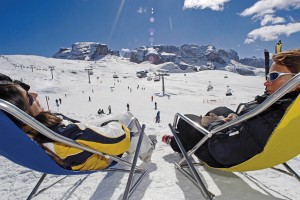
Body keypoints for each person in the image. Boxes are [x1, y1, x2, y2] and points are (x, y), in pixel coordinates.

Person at [162, 49, 300, 168]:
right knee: (221, 109)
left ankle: (175, 142)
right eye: (269, 76)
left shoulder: (273, 115)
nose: (266, 81)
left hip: (218, 153)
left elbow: (224, 151)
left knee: (187, 121)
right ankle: (194, 135)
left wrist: (217, 123)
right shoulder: (290, 105)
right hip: (244, 132)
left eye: (274, 76)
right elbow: (254, 125)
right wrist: (235, 120)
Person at [0, 78, 156, 171]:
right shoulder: (58, 132)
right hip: (98, 157)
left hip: (72, 152)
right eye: (29, 98)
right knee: (126, 119)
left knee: (116, 119)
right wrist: (119, 126)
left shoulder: (23, 132)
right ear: (22, 114)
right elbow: (118, 142)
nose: (35, 94)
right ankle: (146, 151)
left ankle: (138, 143)